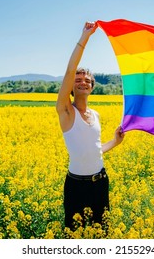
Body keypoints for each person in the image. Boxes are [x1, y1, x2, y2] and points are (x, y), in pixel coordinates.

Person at [56, 21, 124, 230]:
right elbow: (69, 72)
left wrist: (115, 141)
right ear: (71, 87)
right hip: (76, 185)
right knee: (73, 236)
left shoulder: (95, 114)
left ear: (92, 87)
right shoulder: (66, 111)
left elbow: (94, 150)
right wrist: (85, 37)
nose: (82, 81)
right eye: (78, 80)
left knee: (102, 233)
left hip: (100, 182)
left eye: (87, 80)